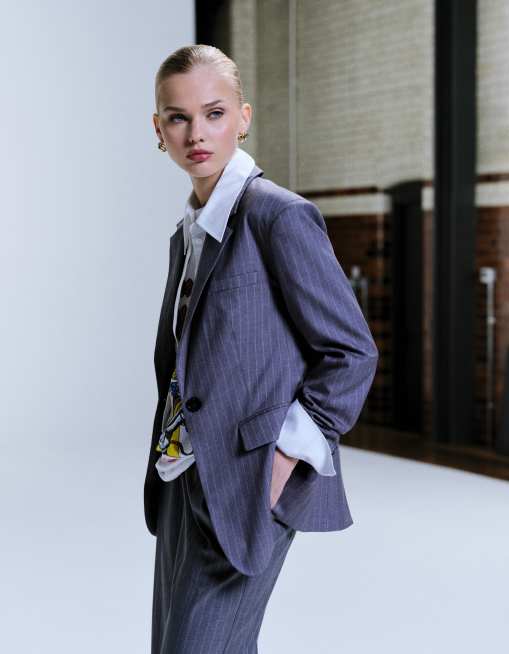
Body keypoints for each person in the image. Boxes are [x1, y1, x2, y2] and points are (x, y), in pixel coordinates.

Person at [145, 44, 379, 654]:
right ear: (159, 129)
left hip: (249, 480)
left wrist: (282, 460)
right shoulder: (187, 234)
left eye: (214, 113)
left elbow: (351, 352)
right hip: (183, 474)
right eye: (178, 117)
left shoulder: (278, 217)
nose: (197, 133)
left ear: (243, 118)